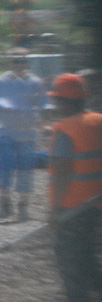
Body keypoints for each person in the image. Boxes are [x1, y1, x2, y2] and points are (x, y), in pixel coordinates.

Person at [48, 73, 102, 302]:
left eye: (56, 100)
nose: (55, 106)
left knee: (68, 258)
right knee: (87, 251)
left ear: (65, 102)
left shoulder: (66, 129)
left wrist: (54, 210)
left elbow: (64, 173)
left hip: (74, 205)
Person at [0, 48, 45, 221]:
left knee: (26, 170)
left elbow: (43, 106)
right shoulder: (2, 81)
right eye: (16, 60)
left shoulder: (35, 82)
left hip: (28, 134)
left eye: (22, 60)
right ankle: (5, 202)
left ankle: (23, 206)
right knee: (4, 169)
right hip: (6, 132)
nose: (19, 64)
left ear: (27, 62)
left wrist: (42, 126)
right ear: (10, 62)